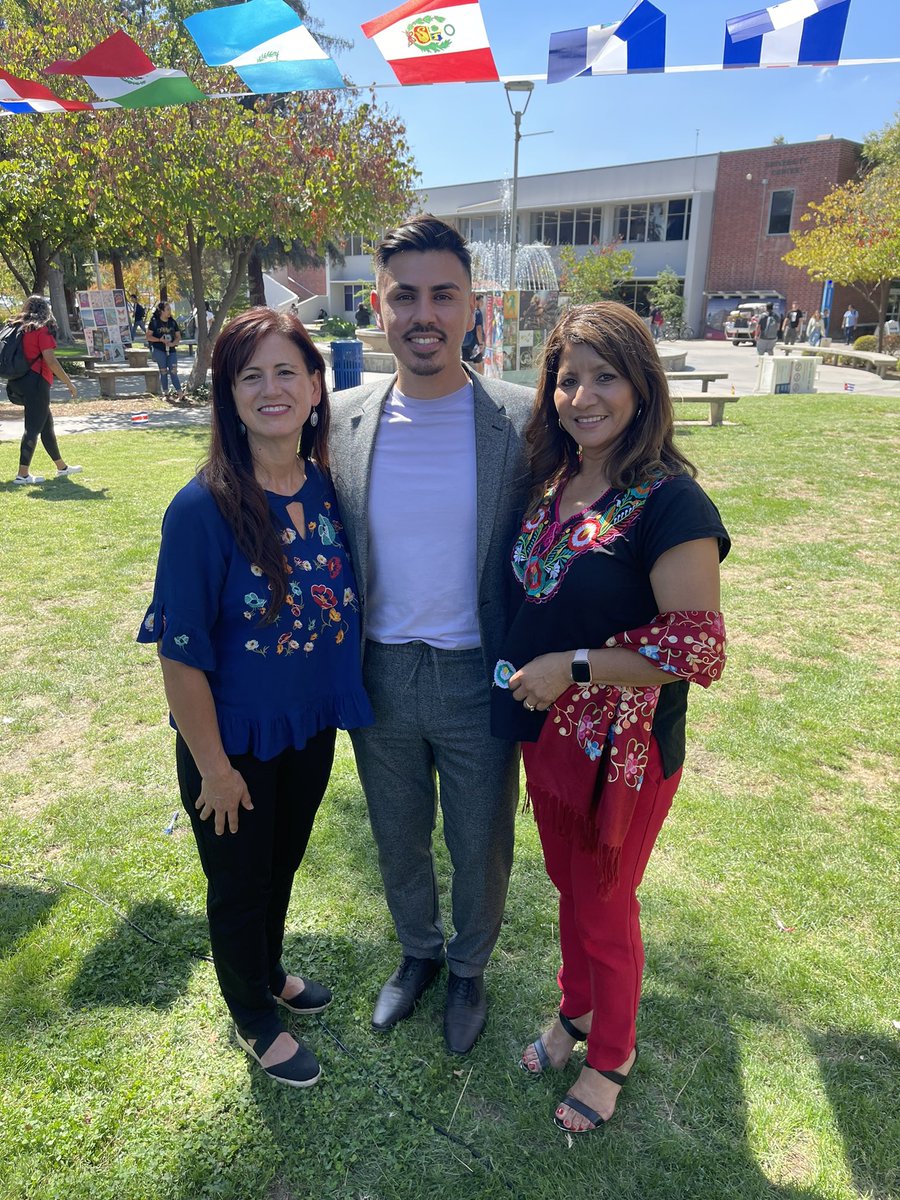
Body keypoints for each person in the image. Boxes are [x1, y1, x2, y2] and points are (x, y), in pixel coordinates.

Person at [492, 301, 729, 1133]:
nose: (583, 396)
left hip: (625, 752)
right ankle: (577, 1008)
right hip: (552, 741)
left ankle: (612, 1055)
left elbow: (696, 645)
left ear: (642, 388)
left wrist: (574, 666)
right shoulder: (557, 481)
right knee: (571, 889)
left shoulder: (671, 501)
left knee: (604, 900)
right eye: (568, 379)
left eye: (605, 377)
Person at [137, 308, 373, 1088]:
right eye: (251, 376)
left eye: (286, 372)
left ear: (315, 386)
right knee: (239, 883)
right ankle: (252, 1014)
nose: (272, 390)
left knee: (281, 863)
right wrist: (213, 769)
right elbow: (180, 653)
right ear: (229, 396)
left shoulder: (329, 490)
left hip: (307, 726)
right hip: (230, 742)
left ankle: (266, 970)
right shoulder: (200, 509)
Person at [328, 216, 533, 1055]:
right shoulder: (339, 419)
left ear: (472, 306)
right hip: (377, 672)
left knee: (481, 839)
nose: (424, 314)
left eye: (443, 295)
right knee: (397, 831)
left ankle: (470, 968)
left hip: (478, 673)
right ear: (378, 307)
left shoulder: (523, 420)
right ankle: (417, 952)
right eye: (404, 296)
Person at [5, 295, 82, 485]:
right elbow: (51, 361)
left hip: (17, 380)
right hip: (36, 382)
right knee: (32, 428)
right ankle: (22, 474)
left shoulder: (18, 327)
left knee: (46, 426)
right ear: (45, 310)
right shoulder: (42, 329)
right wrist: (69, 383)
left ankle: (61, 467)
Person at [148, 301, 184, 398]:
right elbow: (148, 336)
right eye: (167, 309)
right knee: (163, 372)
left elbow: (178, 336)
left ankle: (180, 394)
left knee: (173, 371)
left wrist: (173, 343)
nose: (169, 311)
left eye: (170, 309)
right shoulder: (154, 321)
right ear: (161, 311)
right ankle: (166, 393)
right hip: (159, 350)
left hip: (171, 351)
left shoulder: (172, 322)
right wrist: (159, 340)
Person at [461, 294, 486, 375]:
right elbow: (478, 329)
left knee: (465, 363)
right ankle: (481, 380)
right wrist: (481, 343)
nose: (482, 303)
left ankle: (466, 379)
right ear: (476, 301)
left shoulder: (466, 312)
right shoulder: (478, 313)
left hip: (464, 341)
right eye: (481, 301)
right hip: (474, 342)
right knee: (479, 362)